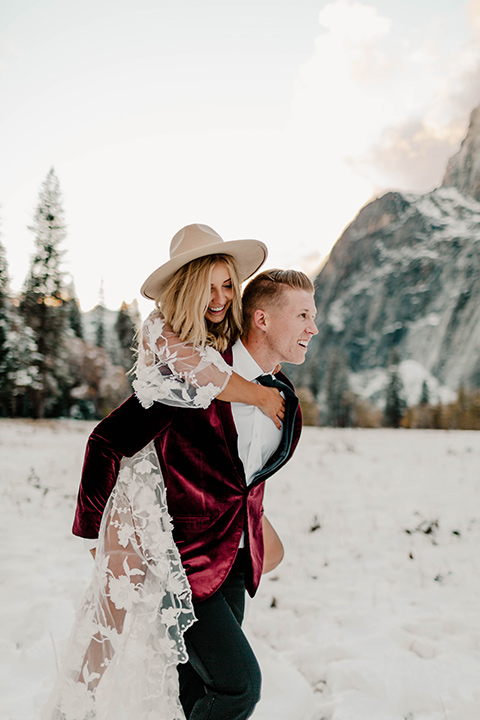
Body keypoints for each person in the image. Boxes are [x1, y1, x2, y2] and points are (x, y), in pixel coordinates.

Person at [42, 224, 317, 720]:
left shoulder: (281, 392)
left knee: (196, 691)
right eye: (302, 316)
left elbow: (242, 478)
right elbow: (106, 440)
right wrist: (96, 530)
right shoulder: (184, 381)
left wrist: (257, 533)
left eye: (227, 284)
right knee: (239, 687)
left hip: (232, 564)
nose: (219, 297)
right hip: (180, 562)